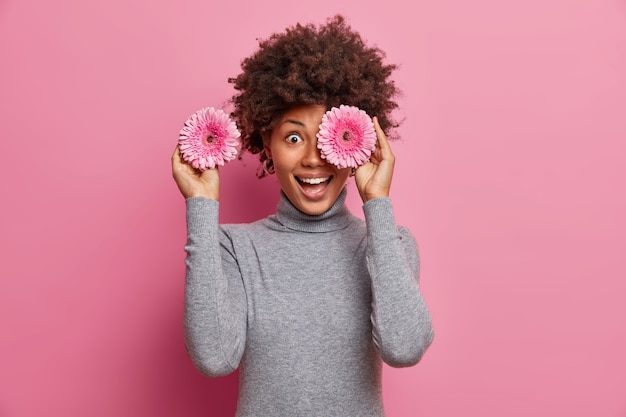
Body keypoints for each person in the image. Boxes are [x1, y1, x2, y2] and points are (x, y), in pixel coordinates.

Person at [171, 14, 434, 417]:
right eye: (294, 137)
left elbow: (404, 348)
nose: (313, 158)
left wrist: (376, 200)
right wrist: (201, 209)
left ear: (360, 144)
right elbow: (214, 357)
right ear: (267, 143)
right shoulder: (233, 248)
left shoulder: (390, 243)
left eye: (331, 138)